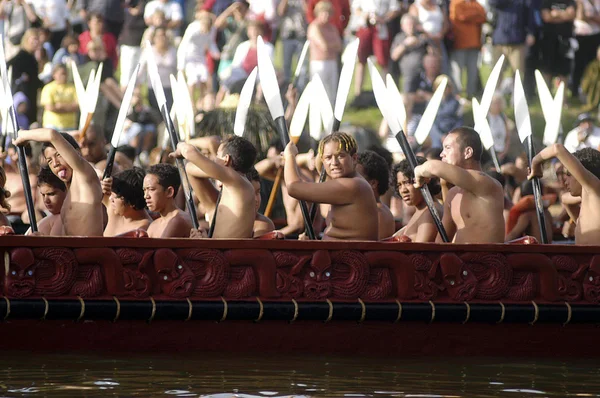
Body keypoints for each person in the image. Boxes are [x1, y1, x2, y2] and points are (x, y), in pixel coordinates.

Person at [413, 127, 505, 243]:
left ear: (467, 152)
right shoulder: (452, 194)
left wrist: (419, 171)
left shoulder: (484, 182)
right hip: (458, 259)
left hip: (485, 259)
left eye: (447, 148)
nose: (442, 154)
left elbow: (433, 167)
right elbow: (441, 242)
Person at [284, 132, 379, 241]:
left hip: (348, 255)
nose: (334, 162)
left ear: (354, 158)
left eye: (341, 156)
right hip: (334, 251)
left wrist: (290, 156)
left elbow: (293, 188)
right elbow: (319, 166)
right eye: (328, 157)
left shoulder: (353, 185)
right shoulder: (343, 181)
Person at [14, 129, 104, 236]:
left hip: (89, 251)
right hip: (70, 251)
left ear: (77, 153)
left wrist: (22, 135)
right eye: (50, 160)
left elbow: (52, 134)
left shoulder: (84, 174)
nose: (55, 163)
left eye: (59, 155)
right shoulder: (67, 198)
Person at [174, 135, 257, 238]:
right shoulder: (232, 184)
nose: (214, 159)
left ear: (226, 159)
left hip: (227, 252)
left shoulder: (237, 180)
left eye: (217, 155)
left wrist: (180, 146)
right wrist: (206, 239)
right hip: (218, 249)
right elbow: (190, 168)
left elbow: (189, 152)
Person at [529, 146, 600, 244]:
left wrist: (535, 162)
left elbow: (557, 149)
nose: (566, 180)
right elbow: (565, 199)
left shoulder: (595, 188)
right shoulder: (590, 199)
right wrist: (580, 199)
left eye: (569, 174)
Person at [392, 157, 443, 242]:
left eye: (407, 183)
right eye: (399, 185)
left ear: (424, 180)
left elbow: (421, 252)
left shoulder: (429, 213)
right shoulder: (421, 211)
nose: (403, 190)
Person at [144, 163, 193, 238]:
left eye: (151, 189)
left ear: (169, 192)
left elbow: (159, 249)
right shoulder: (154, 225)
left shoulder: (178, 220)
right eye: (144, 190)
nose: (146, 196)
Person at [307, 0, 342, 103]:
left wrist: (330, 45)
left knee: (332, 92)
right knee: (319, 92)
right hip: (319, 63)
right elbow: (323, 46)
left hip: (332, 62)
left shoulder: (332, 28)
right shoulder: (314, 27)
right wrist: (332, 45)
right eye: (324, 12)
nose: (326, 15)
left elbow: (339, 46)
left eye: (328, 13)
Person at [101, 167, 152, 236]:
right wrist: (104, 182)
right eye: (112, 193)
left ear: (132, 203)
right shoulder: (114, 210)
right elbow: (91, 177)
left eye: (116, 197)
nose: (110, 199)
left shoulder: (146, 229)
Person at [356, 150, 395, 240]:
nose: (351, 182)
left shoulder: (378, 213)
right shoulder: (367, 208)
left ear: (373, 183)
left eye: (357, 178)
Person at [29, 166, 67, 236]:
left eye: (51, 194)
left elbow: (55, 246)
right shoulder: (53, 218)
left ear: (67, 190)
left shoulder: (61, 219)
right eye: (43, 195)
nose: (46, 200)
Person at [40, 64, 79, 130]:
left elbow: (77, 106)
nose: (64, 76)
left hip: (70, 126)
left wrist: (60, 106)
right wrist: (68, 107)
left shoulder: (73, 88)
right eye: (61, 74)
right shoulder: (48, 88)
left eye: (65, 74)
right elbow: (49, 107)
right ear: (54, 74)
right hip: (52, 126)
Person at [247, 166, 275, 237]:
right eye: (250, 193)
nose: (256, 199)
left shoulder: (263, 224)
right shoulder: (218, 216)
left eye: (257, 192)